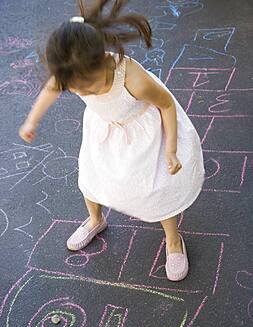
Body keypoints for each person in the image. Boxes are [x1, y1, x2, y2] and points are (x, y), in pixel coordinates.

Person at [19, 0, 205, 282]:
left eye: (87, 86)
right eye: (74, 88)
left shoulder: (130, 77)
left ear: (102, 61)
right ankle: (96, 219)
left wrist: (171, 149)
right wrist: (32, 120)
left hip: (144, 131)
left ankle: (173, 239)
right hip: (105, 129)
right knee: (92, 177)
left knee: (158, 187)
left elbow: (166, 105)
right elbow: (51, 87)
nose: (81, 91)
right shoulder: (73, 70)